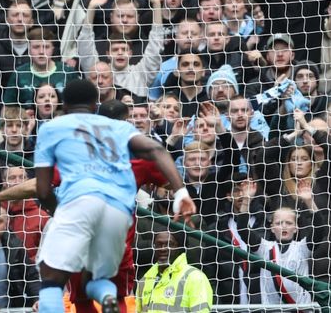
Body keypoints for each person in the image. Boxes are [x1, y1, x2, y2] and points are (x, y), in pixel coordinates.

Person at [33, 79, 195, 313]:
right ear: (94, 105)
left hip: (80, 203)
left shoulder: (52, 128)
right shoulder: (120, 128)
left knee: (51, 279)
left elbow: (43, 191)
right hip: (119, 215)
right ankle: (107, 296)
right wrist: (181, 193)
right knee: (97, 280)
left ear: (64, 106)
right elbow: (156, 149)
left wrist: (60, 213)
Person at [136, 230, 213, 312]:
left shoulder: (195, 278)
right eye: (158, 244)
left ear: (179, 248)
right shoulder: (145, 279)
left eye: (169, 244)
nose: (163, 248)